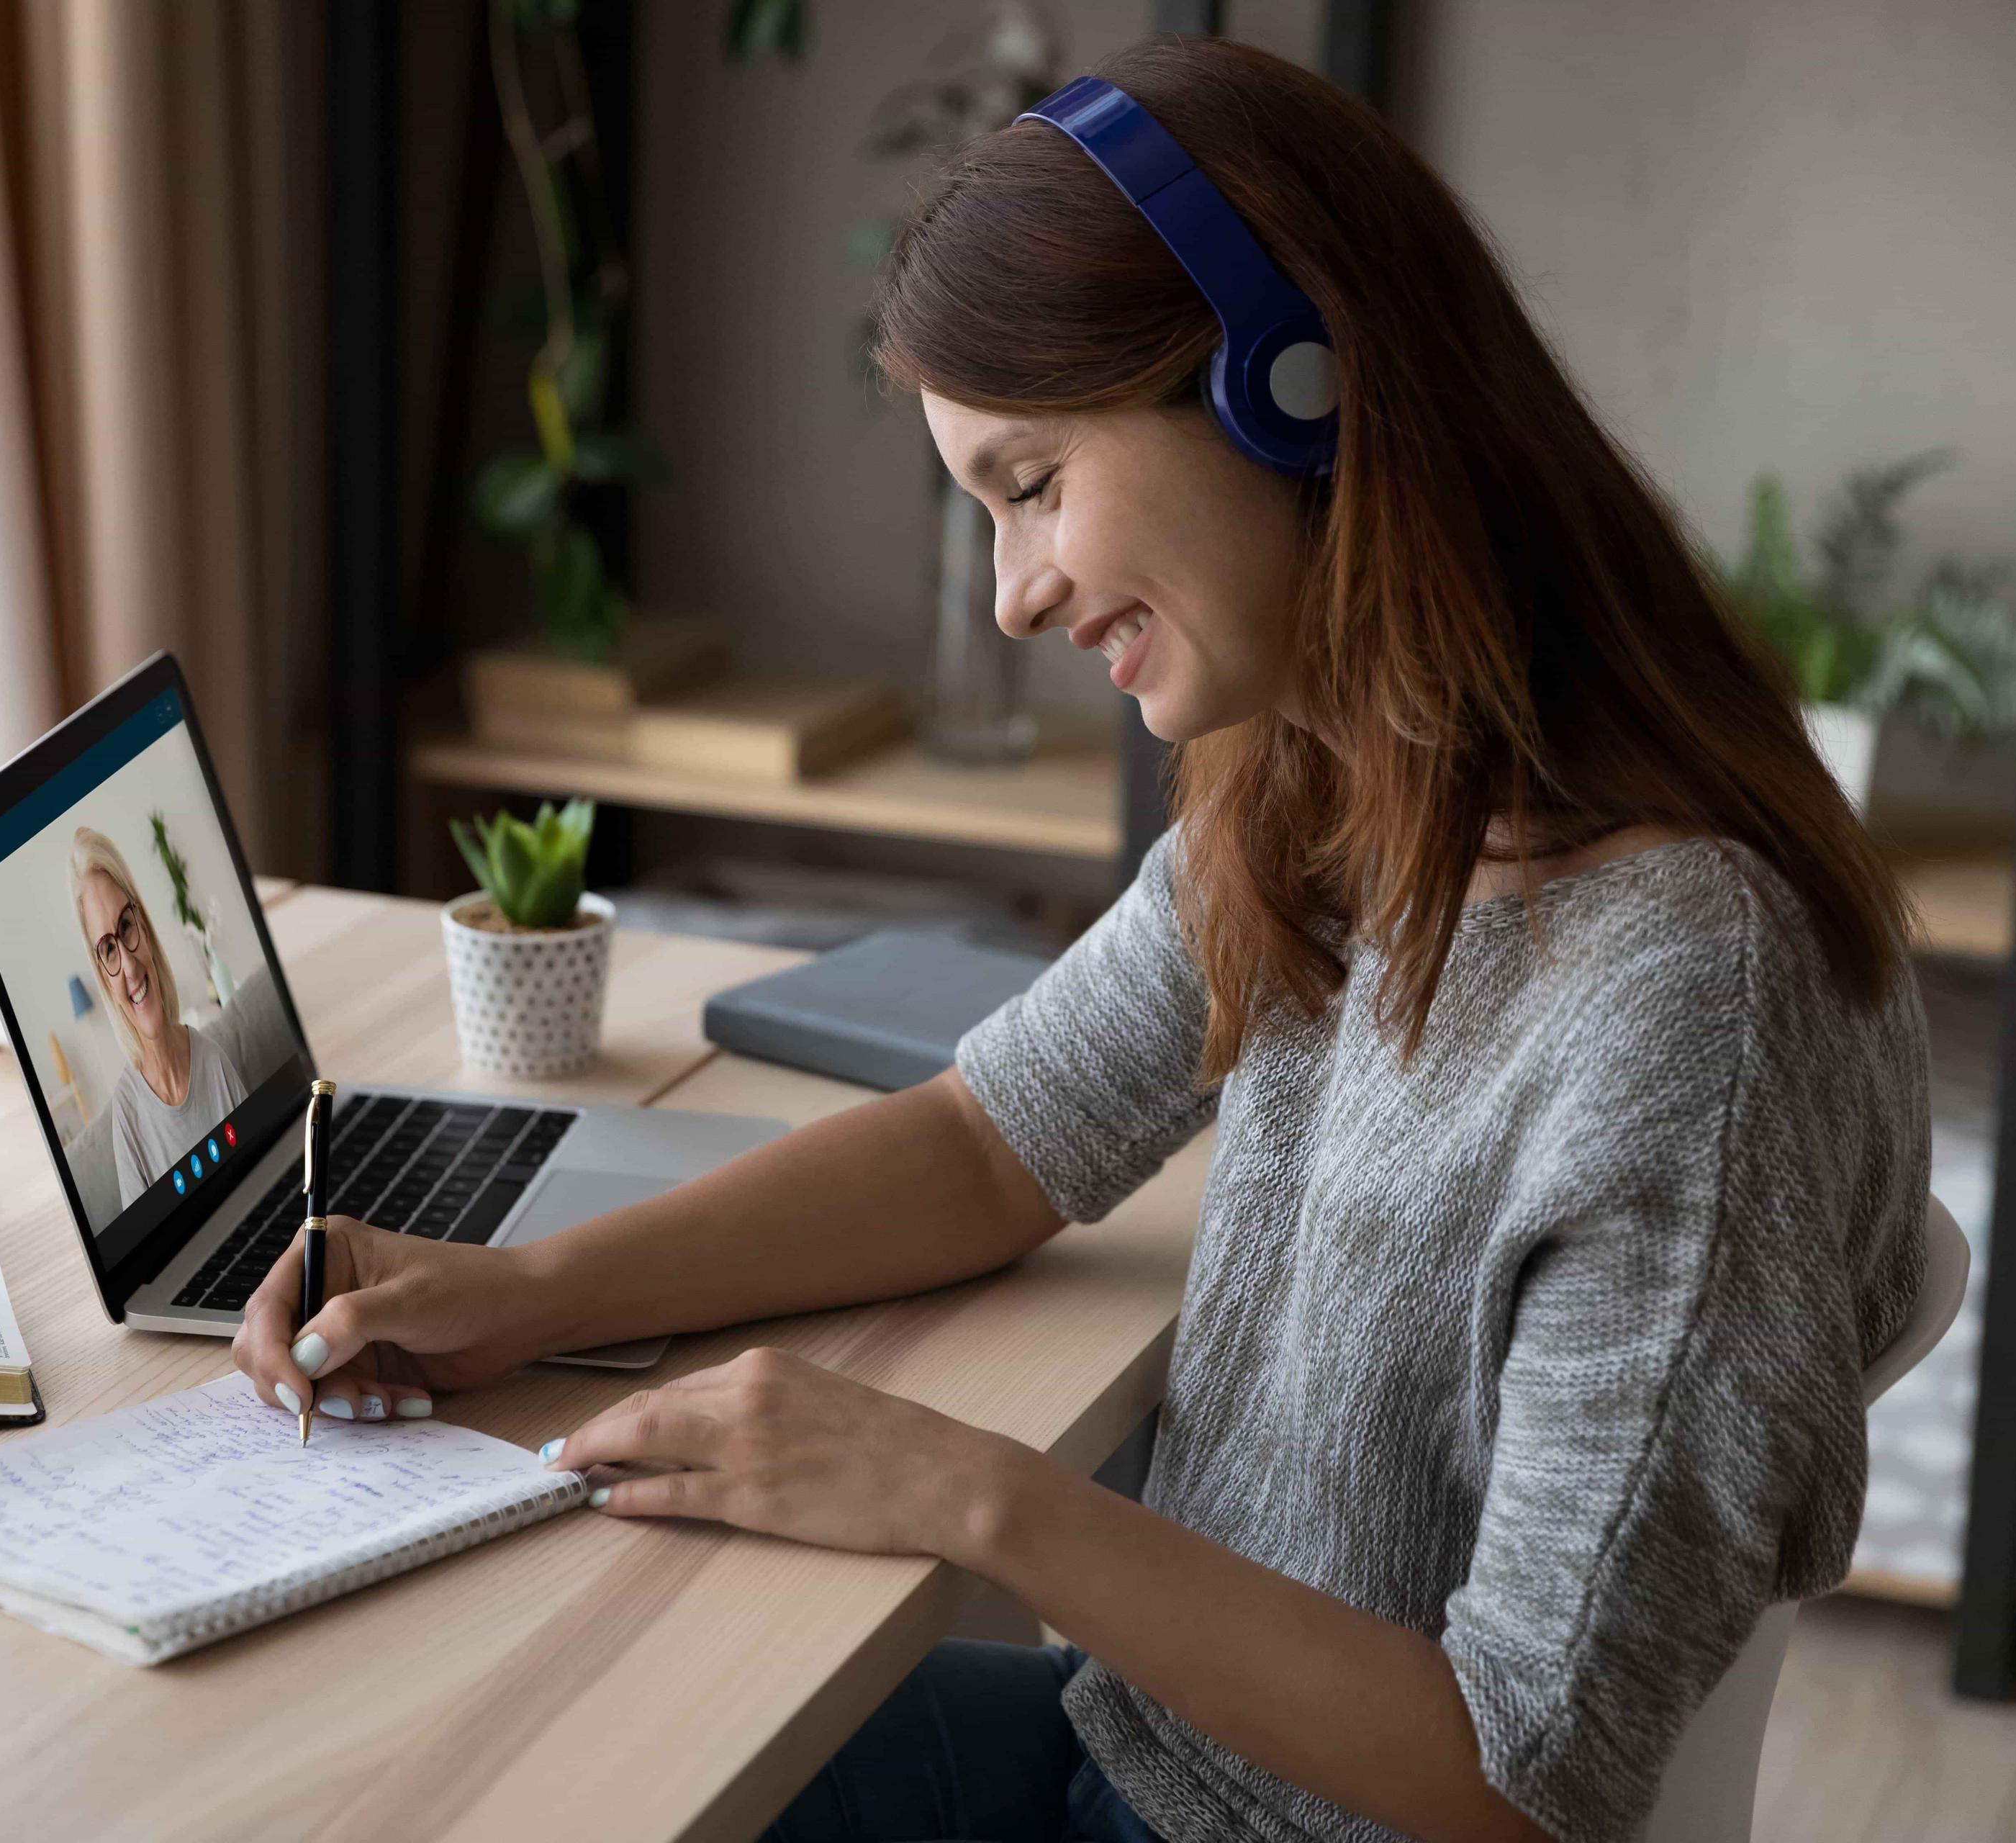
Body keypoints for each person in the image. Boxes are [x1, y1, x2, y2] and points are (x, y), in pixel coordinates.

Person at [233, 38, 1926, 1843]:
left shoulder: (1680, 993)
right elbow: (992, 1136)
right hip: (1143, 1760)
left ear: (1294, 383)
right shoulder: (1331, 781)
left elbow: (1525, 1774)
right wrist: (525, 1293)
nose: (1012, 591)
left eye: (1032, 484)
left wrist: (966, 1492)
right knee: (497, 1750)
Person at [70, 826, 247, 1205]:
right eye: (108, 950)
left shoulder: (213, 1061)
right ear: (103, 976)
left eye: (127, 927)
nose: (130, 967)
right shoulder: (128, 1116)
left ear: (145, 926)